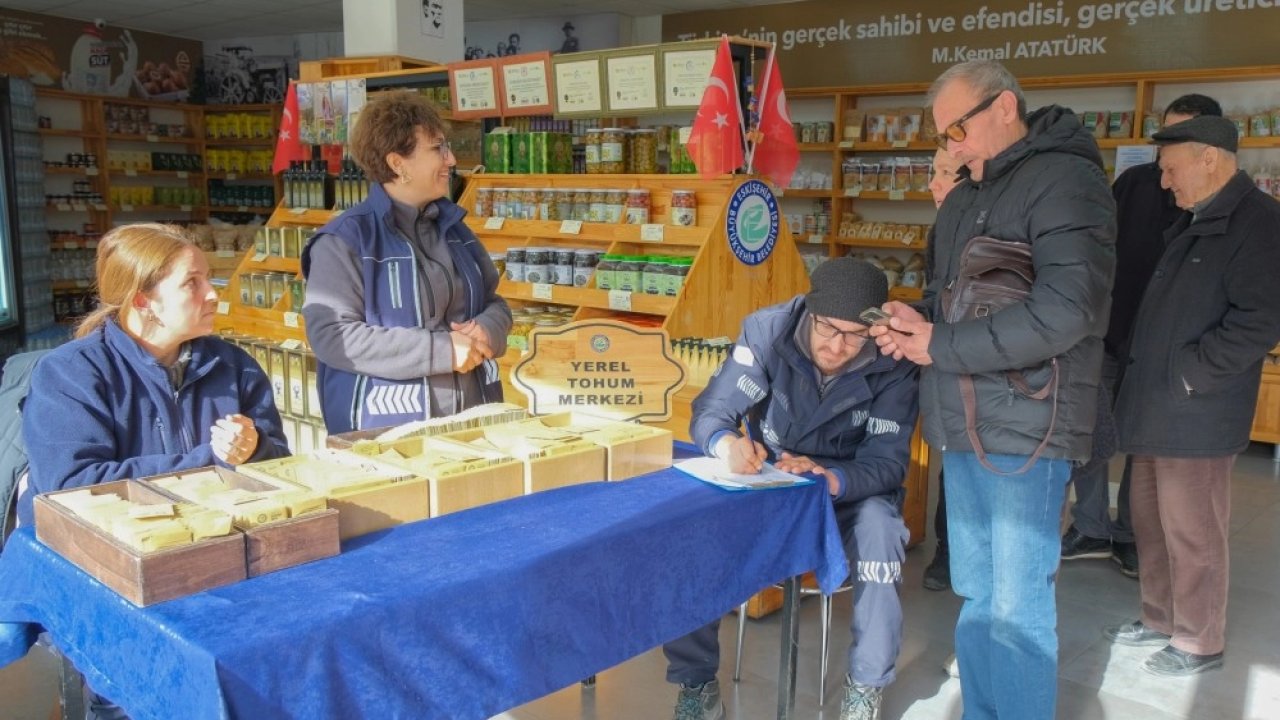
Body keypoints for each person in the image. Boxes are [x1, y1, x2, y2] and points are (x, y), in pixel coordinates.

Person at [871, 60, 1115, 719]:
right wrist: (918, 318)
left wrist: (940, 345)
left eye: (957, 128)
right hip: (964, 416)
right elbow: (956, 300)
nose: (950, 146)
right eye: (942, 135)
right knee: (979, 592)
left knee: (1016, 603)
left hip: (1027, 427)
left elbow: (1069, 311)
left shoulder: (1067, 181)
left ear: (1004, 106)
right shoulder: (972, 192)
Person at [15, 222, 291, 719]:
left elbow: (284, 468)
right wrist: (211, 462)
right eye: (193, 282)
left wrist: (257, 447)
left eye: (209, 277)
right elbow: (70, 488)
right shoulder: (72, 374)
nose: (213, 293)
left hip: (222, 564)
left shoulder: (235, 366)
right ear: (143, 302)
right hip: (112, 578)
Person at [664, 258, 919, 720]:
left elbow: (887, 464)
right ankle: (696, 683)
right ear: (809, 310)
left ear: (875, 329)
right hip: (771, 483)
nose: (837, 346)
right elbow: (713, 410)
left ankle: (865, 686)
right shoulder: (768, 330)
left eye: (854, 335)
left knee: (882, 529)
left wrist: (832, 477)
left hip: (846, 496)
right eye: (827, 329)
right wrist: (725, 445)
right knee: (689, 528)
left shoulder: (894, 360)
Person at [1106, 115, 1280, 677]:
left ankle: (1200, 638)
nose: (1164, 183)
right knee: (1150, 520)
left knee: (1193, 527)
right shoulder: (1199, 216)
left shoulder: (1258, 223)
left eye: (1170, 169)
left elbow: (1260, 321)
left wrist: (1190, 374)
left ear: (1210, 159)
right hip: (1158, 405)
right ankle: (1160, 618)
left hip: (1196, 410)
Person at [1062, 94, 1224, 580]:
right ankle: (1090, 527)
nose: (1165, 150)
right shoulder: (1132, 183)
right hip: (1110, 334)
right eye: (1164, 134)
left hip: (1164, 351)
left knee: (1143, 446)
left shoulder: (1216, 201)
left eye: (1181, 136)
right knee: (1089, 433)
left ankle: (1130, 534)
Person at [302, 90, 512, 434]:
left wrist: (489, 327)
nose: (451, 159)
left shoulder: (456, 230)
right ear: (397, 163)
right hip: (386, 437)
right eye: (437, 148)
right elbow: (332, 335)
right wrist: (440, 351)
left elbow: (495, 302)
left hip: (473, 424)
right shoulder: (345, 240)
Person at [920, 147, 963, 593]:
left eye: (946, 173)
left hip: (979, 370)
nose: (934, 183)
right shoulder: (942, 230)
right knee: (951, 462)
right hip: (946, 366)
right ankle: (947, 551)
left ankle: (955, 553)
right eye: (934, 172)